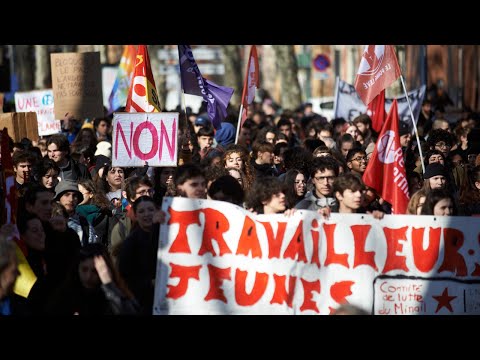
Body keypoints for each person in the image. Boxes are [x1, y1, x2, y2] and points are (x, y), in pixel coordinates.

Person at [45, 243, 139, 315]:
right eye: (84, 269)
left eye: (95, 271)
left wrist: (109, 286)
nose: (88, 276)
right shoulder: (65, 294)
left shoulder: (113, 294)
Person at [117, 196, 160, 315]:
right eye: (141, 211)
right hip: (143, 304)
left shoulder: (168, 235)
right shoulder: (130, 244)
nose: (147, 214)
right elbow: (125, 279)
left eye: (151, 210)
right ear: (135, 216)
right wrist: (149, 283)